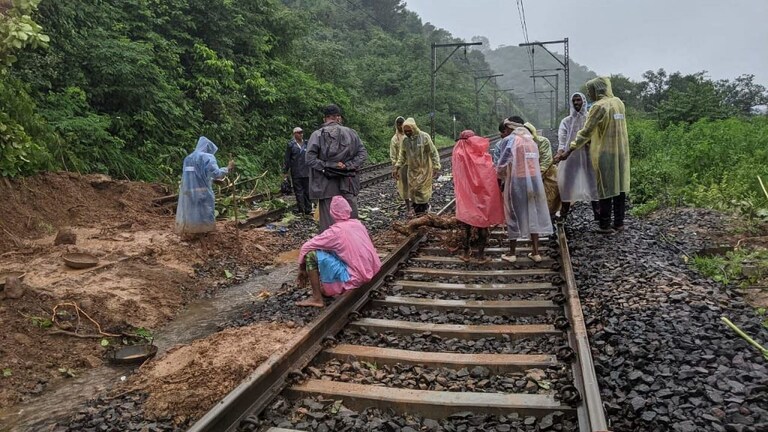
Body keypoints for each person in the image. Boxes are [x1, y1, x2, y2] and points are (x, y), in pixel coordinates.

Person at [560, 77, 630, 233]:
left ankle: (604, 224)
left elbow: (586, 132)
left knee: (604, 187)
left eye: (590, 91)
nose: (589, 94)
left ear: (597, 90)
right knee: (619, 188)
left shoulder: (598, 107)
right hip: (621, 151)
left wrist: (569, 150)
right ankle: (619, 222)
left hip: (605, 152)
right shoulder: (618, 103)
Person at [296, 196, 382, 307]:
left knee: (311, 255)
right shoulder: (358, 224)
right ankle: (327, 288)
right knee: (331, 250)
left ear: (332, 213)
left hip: (355, 277)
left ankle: (317, 298)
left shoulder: (335, 232)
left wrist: (302, 269)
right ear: (348, 210)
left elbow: (306, 247)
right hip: (371, 271)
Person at [496, 119, 553, 263]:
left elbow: (502, 163)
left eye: (505, 129)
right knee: (533, 212)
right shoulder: (530, 140)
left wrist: (499, 177)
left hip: (517, 181)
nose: (504, 133)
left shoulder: (509, 140)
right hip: (534, 180)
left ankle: (512, 253)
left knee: (513, 213)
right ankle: (535, 252)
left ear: (509, 127)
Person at [306, 104, 368, 232]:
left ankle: (332, 249)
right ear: (338, 117)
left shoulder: (317, 135)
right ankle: (353, 245)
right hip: (348, 182)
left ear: (325, 118)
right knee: (350, 215)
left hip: (326, 186)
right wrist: (347, 166)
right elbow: (362, 154)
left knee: (329, 223)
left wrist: (329, 165)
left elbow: (310, 159)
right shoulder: (351, 133)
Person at [452, 130, 505, 263]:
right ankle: (480, 256)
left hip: (465, 197)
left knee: (466, 224)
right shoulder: (483, 157)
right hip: (482, 196)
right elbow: (491, 175)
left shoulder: (458, 154)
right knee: (483, 224)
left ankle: (466, 254)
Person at [175, 136, 234, 236]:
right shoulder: (207, 157)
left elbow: (195, 175)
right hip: (202, 190)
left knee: (192, 210)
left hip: (189, 190)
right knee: (206, 209)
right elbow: (216, 173)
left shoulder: (189, 158)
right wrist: (228, 168)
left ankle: (191, 230)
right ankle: (206, 230)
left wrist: (211, 180)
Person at [554, 92, 599, 221]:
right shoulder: (566, 121)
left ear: (583, 101)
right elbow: (562, 139)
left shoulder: (589, 119)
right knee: (566, 182)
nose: (576, 103)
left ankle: (598, 212)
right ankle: (564, 210)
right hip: (570, 157)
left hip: (588, 155)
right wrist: (560, 152)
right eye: (574, 101)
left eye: (578, 100)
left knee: (593, 183)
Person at [394, 118, 440, 216]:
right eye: (405, 131)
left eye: (409, 131)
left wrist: (436, 166)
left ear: (414, 128)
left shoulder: (424, 137)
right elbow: (402, 156)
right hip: (412, 171)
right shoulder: (405, 140)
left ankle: (423, 211)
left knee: (421, 191)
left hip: (424, 169)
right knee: (413, 192)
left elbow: (433, 152)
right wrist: (397, 167)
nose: (407, 133)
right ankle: (418, 212)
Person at [523, 122, 561, 218]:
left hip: (547, 173)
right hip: (531, 174)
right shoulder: (521, 144)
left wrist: (539, 173)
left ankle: (549, 215)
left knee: (550, 196)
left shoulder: (542, 141)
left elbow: (546, 159)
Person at [283, 126, 312, 215]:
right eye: (299, 133)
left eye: (302, 132)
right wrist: (285, 171)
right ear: (294, 134)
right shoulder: (291, 145)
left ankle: (308, 209)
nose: (301, 134)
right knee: (298, 191)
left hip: (306, 171)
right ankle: (301, 209)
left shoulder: (307, 143)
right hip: (296, 172)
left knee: (307, 191)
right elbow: (287, 159)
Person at [389, 116, 410, 212]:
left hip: (412, 164)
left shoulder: (409, 135)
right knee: (404, 186)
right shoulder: (394, 139)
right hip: (401, 166)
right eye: (398, 124)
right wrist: (395, 167)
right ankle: (408, 206)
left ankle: (417, 203)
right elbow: (393, 155)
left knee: (414, 184)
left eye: (401, 124)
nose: (400, 126)